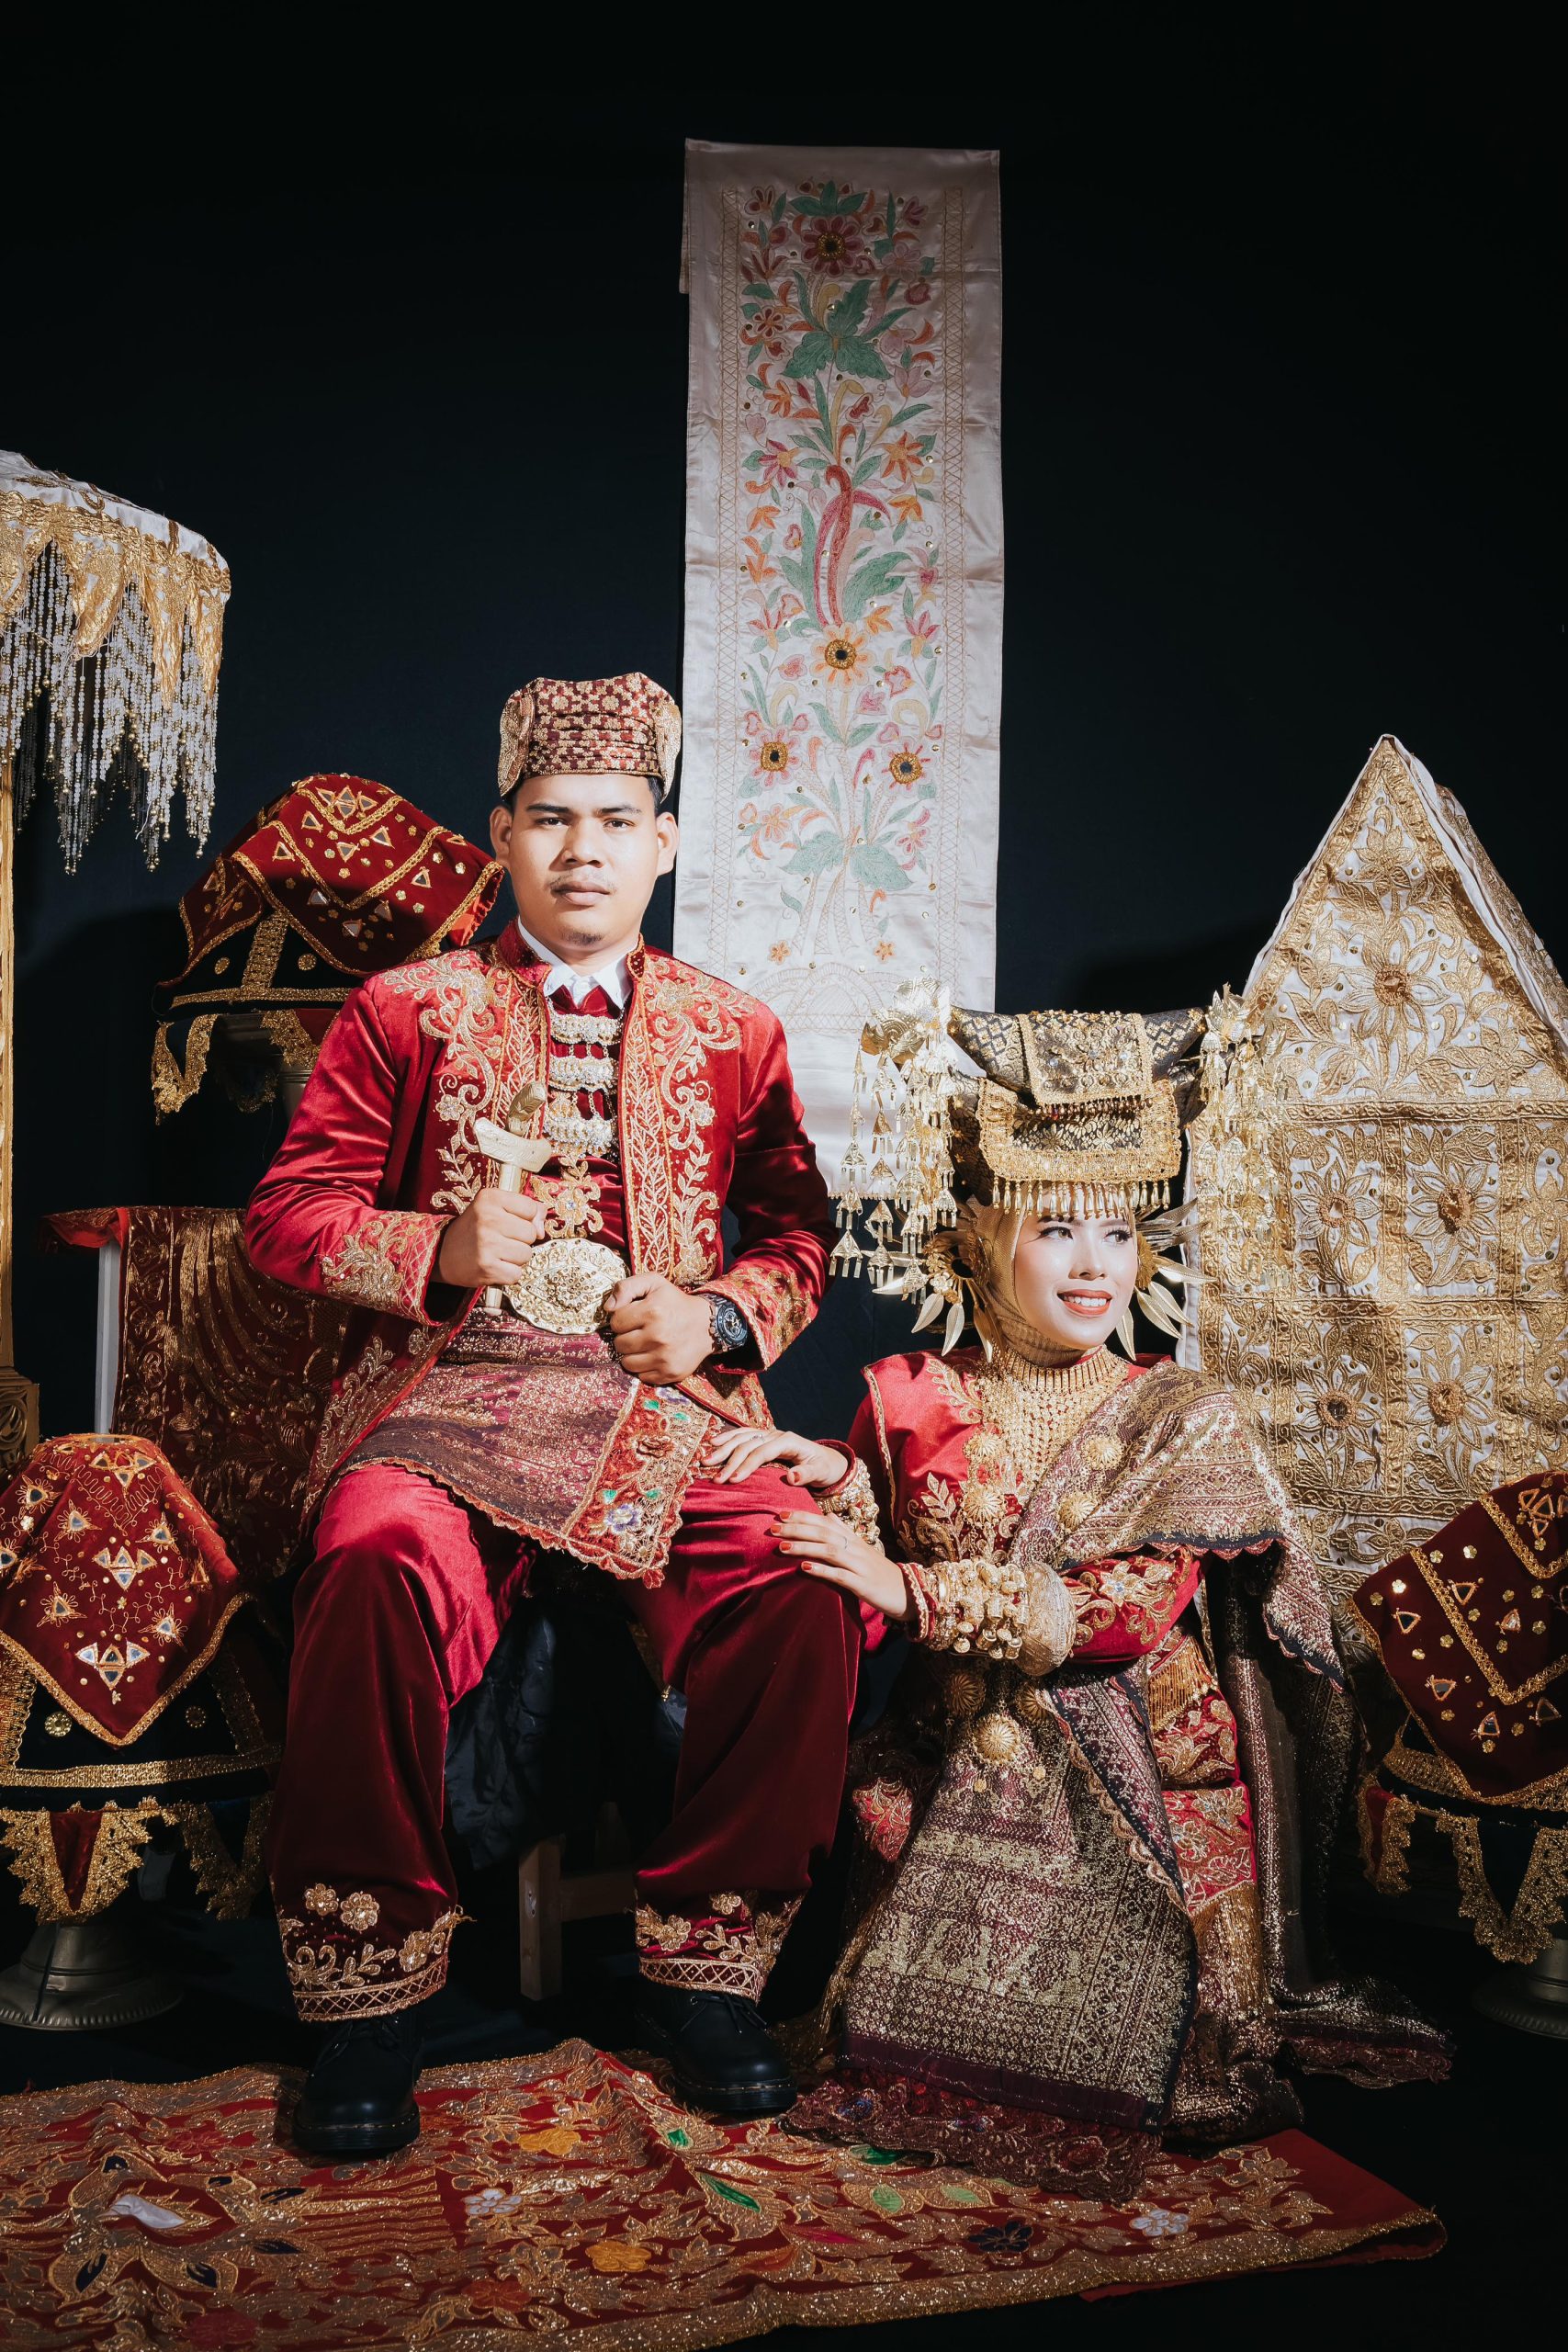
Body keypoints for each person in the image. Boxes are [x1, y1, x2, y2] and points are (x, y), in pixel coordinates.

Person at [246, 673, 857, 2154]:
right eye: (551, 821)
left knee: (802, 1571)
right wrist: (440, 1250)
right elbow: (286, 1217)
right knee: (374, 1555)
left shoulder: (735, 1029)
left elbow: (798, 1240)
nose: (584, 850)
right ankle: (368, 1997)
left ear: (664, 843)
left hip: (666, 1409)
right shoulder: (409, 1010)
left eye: (617, 822)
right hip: (448, 1397)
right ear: (502, 836)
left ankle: (709, 1970)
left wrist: (718, 1318)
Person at [708, 997, 1445, 2190]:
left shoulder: (1182, 1415)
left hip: (1143, 1769)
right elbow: (869, 1558)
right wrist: (836, 1484)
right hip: (956, 1753)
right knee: (893, 2009)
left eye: (1120, 1231)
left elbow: (1129, 1610)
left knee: (1177, 2059)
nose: (1098, 1265)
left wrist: (914, 1593)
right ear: (978, 1237)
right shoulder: (905, 1394)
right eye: (1058, 1229)